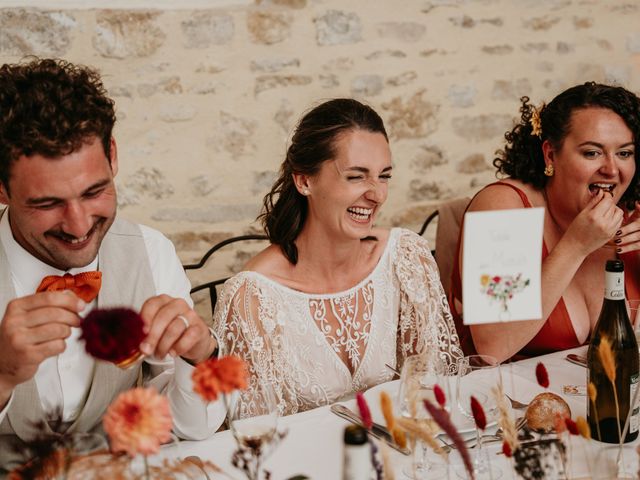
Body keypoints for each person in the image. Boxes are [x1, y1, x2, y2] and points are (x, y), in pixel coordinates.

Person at [0, 58, 225, 471]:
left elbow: (190, 429)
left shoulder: (151, 253)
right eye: (48, 203)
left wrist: (199, 354)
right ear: (1, 188)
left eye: (95, 191)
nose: (79, 225)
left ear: (113, 157)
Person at [213, 98, 462, 416]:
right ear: (304, 181)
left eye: (383, 176)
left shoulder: (405, 258)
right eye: (356, 176)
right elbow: (258, 434)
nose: (376, 194)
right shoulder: (254, 297)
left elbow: (434, 390)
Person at [450, 82, 640, 362]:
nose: (611, 169)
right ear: (550, 154)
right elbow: (491, 347)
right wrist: (575, 246)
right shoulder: (503, 209)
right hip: (503, 400)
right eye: (592, 152)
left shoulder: (633, 216)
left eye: (624, 153)